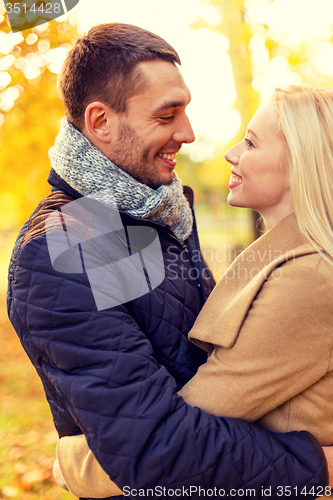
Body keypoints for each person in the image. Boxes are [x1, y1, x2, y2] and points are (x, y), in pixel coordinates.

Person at [7, 22, 331, 500]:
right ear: (100, 122)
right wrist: (318, 466)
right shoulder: (71, 245)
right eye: (167, 116)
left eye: (187, 110)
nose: (189, 132)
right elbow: (153, 448)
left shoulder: (156, 212)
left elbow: (197, 369)